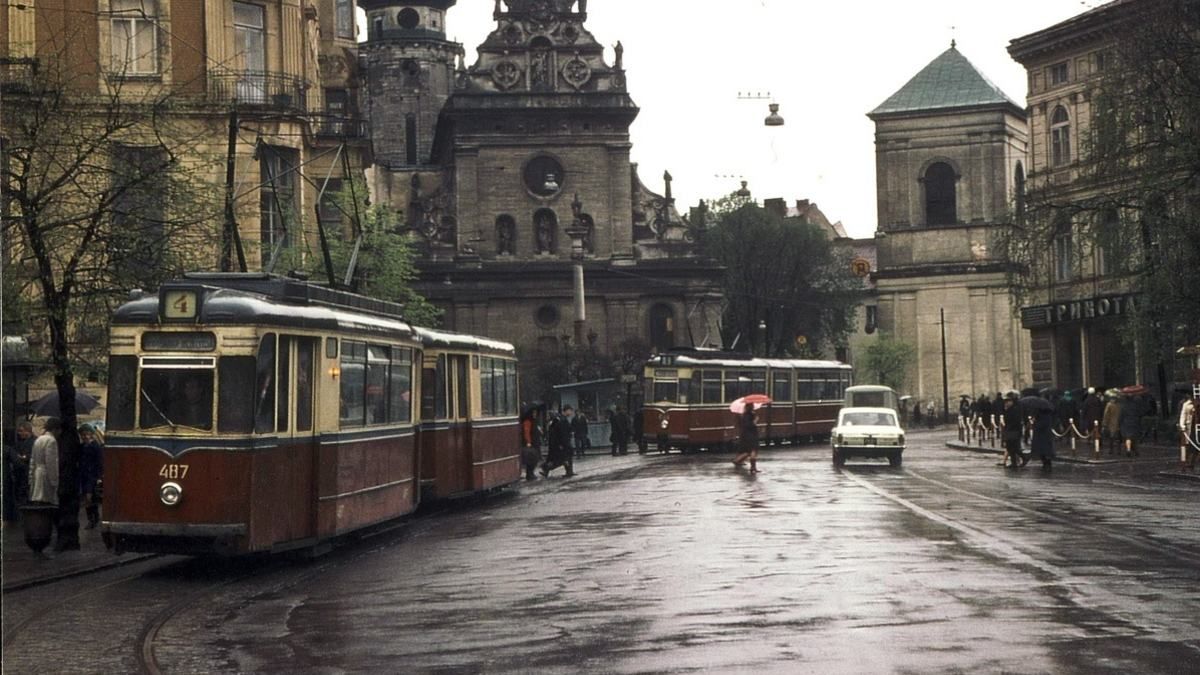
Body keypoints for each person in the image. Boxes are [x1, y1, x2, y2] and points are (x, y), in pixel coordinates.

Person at [3, 421, 35, 523]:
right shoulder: (19, 443)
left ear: (28, 431)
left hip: (27, 472)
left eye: (21, 431)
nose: (19, 433)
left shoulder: (34, 441)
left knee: (26, 493)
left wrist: (24, 457)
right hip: (19, 473)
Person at [29, 417, 61, 505]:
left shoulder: (38, 439)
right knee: (46, 504)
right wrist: (54, 481)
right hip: (45, 476)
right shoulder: (51, 441)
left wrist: (31, 477)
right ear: (55, 429)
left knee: (37, 502)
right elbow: (51, 463)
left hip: (37, 474)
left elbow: (33, 459)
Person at [78, 423, 104, 529]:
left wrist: (99, 476)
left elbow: (100, 462)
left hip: (92, 476)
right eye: (83, 435)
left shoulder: (95, 447)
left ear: (92, 435)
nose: (85, 437)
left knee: (90, 497)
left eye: (87, 434)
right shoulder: (82, 447)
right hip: (84, 476)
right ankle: (94, 517)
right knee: (87, 497)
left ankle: (93, 519)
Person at [540, 406, 575, 478]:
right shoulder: (561, 420)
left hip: (561, 443)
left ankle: (569, 471)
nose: (571, 413)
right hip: (561, 443)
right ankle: (546, 467)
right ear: (566, 411)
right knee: (561, 460)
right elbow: (561, 433)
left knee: (566, 458)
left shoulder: (562, 419)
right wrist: (562, 443)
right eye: (570, 411)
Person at [731, 407, 760, 473]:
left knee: (749, 451)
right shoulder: (749, 415)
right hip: (751, 435)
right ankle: (752, 467)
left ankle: (752, 467)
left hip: (745, 435)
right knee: (753, 450)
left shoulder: (744, 415)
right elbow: (750, 425)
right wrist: (756, 420)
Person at [1001, 394, 1027, 468]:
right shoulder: (1008, 410)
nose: (1006, 403)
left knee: (1014, 447)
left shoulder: (1014, 410)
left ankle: (1024, 458)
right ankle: (1014, 463)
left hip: (1014, 430)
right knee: (1010, 447)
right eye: (1005, 402)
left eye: (1007, 402)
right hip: (1009, 430)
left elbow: (1015, 421)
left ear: (1011, 402)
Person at [1030, 404, 1056, 469]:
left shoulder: (1043, 417)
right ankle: (1046, 463)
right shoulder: (1048, 416)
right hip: (1045, 436)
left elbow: (1040, 425)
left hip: (1042, 436)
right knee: (1044, 451)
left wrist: (1034, 422)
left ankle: (1046, 463)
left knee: (1044, 451)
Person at [1120, 392, 1145, 458]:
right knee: (1134, 437)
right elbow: (1139, 413)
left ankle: (1128, 449)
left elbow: (1121, 416)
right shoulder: (1135, 405)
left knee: (1128, 437)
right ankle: (1136, 451)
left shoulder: (1124, 406)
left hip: (1126, 423)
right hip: (1134, 422)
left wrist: (1120, 423)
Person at [519, 407, 542, 481]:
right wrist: (528, 442)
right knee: (531, 459)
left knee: (534, 458)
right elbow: (527, 432)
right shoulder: (528, 421)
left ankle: (531, 473)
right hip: (531, 443)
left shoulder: (534, 421)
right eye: (534, 413)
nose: (535, 414)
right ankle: (529, 473)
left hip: (535, 442)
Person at [1178, 397, 1196, 472]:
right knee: (1186, 447)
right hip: (1189, 428)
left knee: (1196, 447)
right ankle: (1184, 463)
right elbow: (1183, 415)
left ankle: (1192, 462)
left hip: (1196, 427)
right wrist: (1182, 426)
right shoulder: (1186, 404)